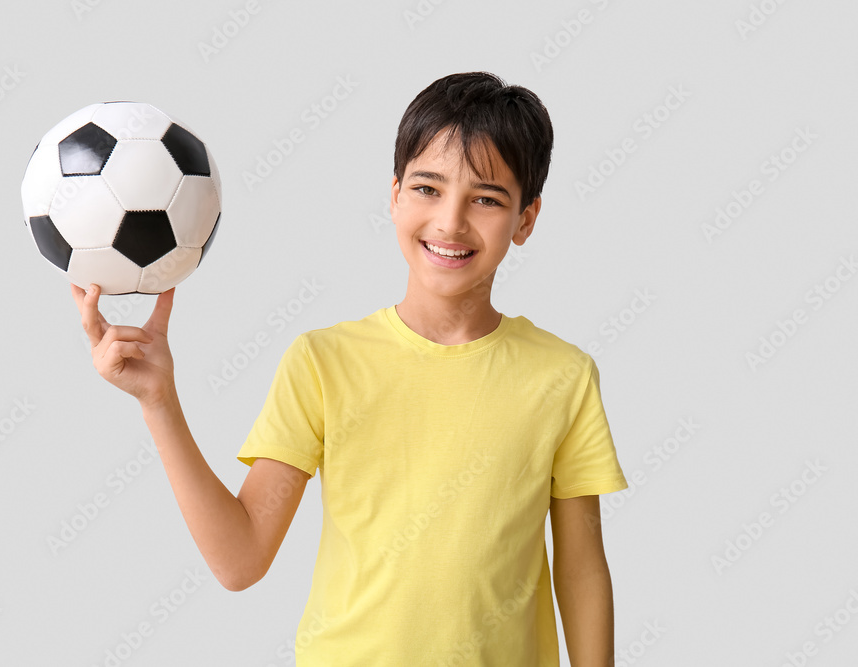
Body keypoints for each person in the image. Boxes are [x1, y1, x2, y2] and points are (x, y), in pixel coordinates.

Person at [72, 71, 628, 666]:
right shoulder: (323, 363)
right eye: (427, 188)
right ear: (394, 198)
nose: (450, 222)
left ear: (526, 218)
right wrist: (159, 400)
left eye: (486, 199)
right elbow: (240, 561)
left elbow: (581, 568)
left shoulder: (563, 377)